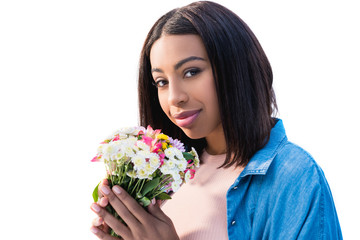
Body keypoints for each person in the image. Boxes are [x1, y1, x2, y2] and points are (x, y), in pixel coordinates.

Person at [90, 1, 343, 239]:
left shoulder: (294, 178)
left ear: (235, 69)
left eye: (191, 72)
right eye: (162, 82)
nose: (174, 97)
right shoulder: (163, 177)